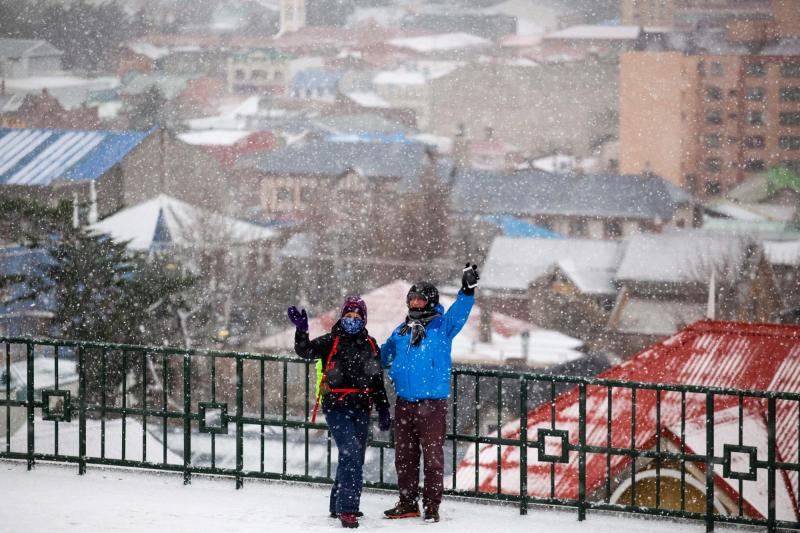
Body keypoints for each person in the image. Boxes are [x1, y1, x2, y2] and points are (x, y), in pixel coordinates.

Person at [381, 263, 479, 523]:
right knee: (404, 457)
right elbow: (383, 355)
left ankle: (432, 505)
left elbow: (459, 313)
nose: (415, 303)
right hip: (404, 403)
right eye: (411, 298)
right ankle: (407, 502)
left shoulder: (442, 327)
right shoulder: (401, 331)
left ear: (430, 301)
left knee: (433, 458)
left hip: (432, 404)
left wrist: (466, 291)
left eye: (420, 298)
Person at [288, 296, 392, 529]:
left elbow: (376, 380)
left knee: (354, 457)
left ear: (364, 319)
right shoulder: (331, 340)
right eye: (348, 316)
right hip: (336, 406)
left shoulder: (371, 344)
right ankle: (348, 508)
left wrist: (383, 406)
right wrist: (302, 331)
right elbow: (305, 351)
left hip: (362, 408)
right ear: (342, 317)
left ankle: (337, 503)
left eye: (357, 317)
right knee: (352, 453)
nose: (352, 320)